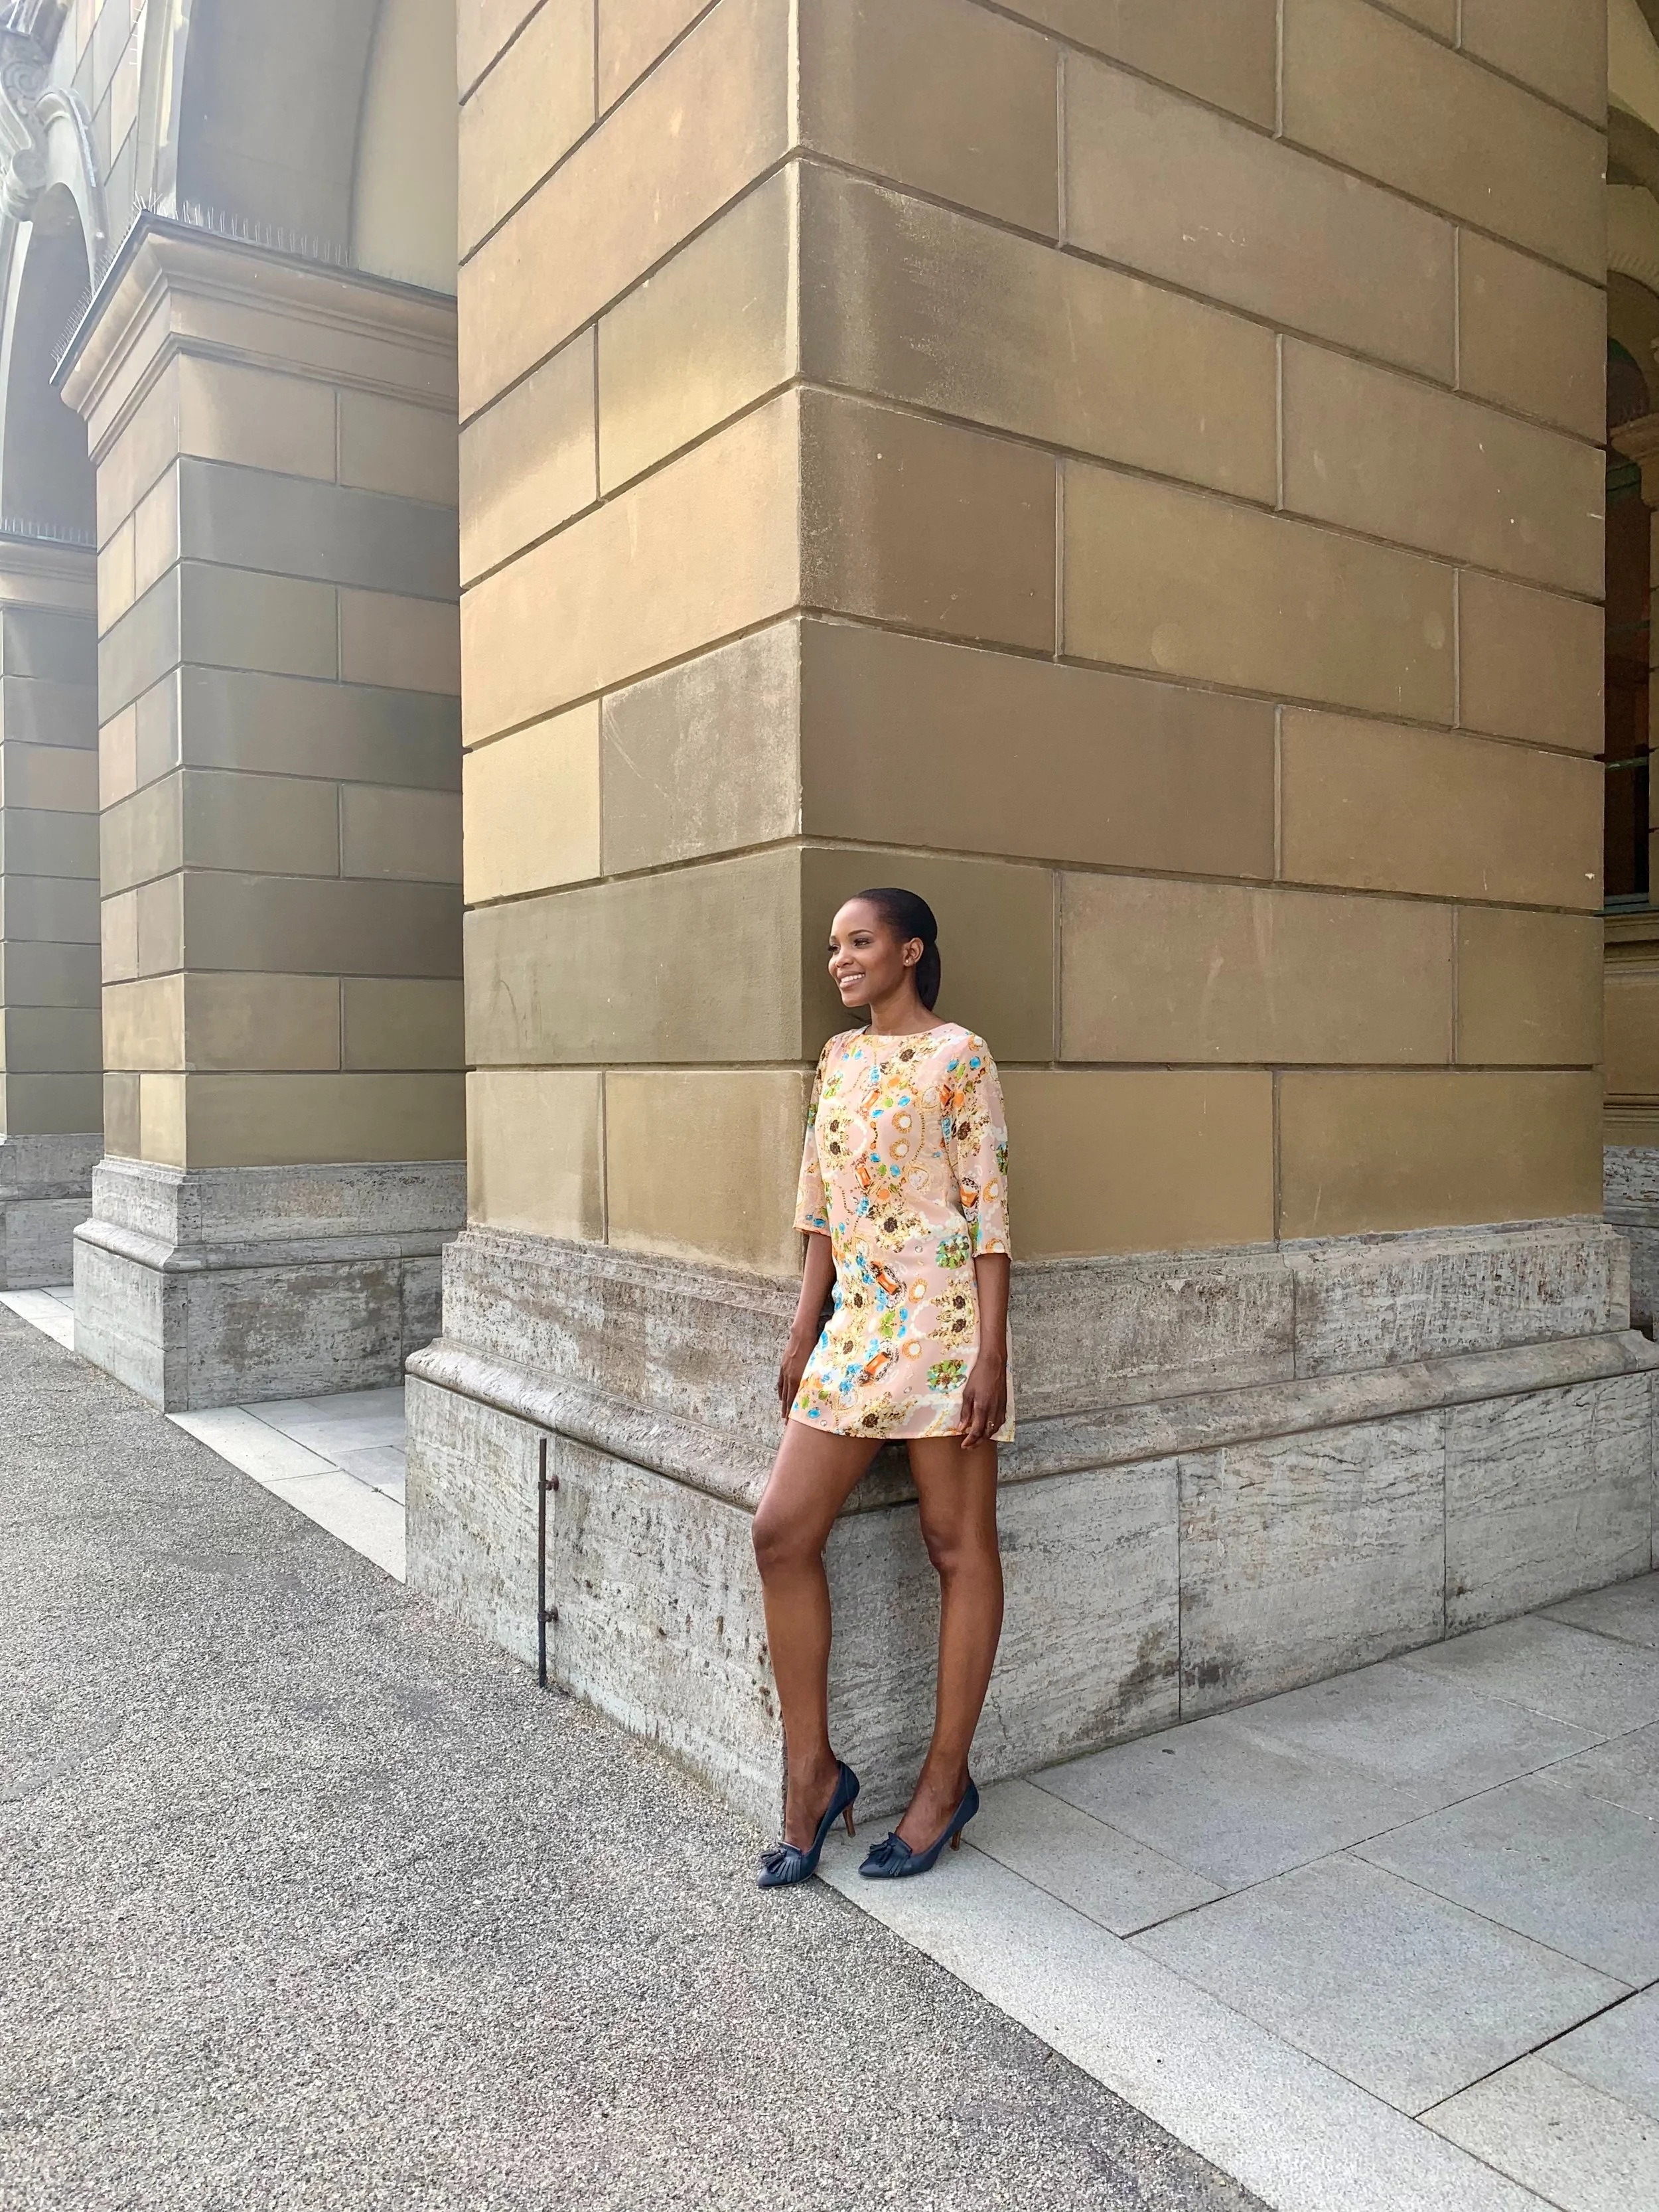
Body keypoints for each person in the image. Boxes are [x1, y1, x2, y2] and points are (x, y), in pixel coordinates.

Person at [751, 888, 1012, 1889]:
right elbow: (818, 1208)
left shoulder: (961, 1056)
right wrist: (802, 1328)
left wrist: (990, 1351)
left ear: (911, 951)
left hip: (944, 1329)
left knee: (956, 1547)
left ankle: (945, 1785)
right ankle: (812, 1774)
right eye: (833, 947)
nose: (840, 961)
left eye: (858, 943)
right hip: (857, 1330)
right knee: (780, 1532)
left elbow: (988, 1210)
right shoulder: (839, 1061)